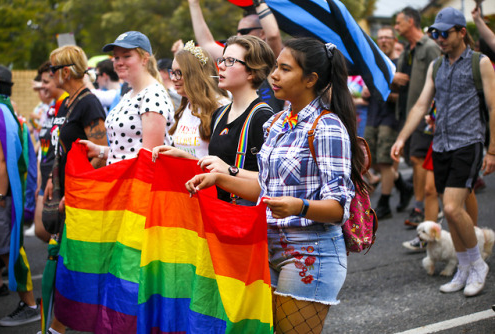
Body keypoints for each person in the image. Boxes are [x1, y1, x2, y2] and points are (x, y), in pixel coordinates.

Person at [186, 37, 364, 333]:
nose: (274, 76)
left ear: (310, 79)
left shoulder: (327, 127)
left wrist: (299, 206)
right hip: (266, 248)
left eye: (285, 69)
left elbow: (339, 208)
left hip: (311, 252)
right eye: (276, 67)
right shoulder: (278, 122)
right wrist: (219, 178)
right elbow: (264, 189)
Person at [391, 7, 495, 297]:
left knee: (451, 207)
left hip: (469, 143)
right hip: (441, 145)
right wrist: (402, 138)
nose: (440, 39)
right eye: (435, 33)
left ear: (462, 32)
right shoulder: (437, 65)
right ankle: (463, 269)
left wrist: (493, 151)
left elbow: (493, 106)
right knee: (450, 214)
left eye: (444, 33)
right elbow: (422, 105)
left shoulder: (480, 62)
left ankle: (477, 264)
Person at [154, 35, 275, 206]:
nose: (221, 66)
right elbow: (216, 165)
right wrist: (183, 156)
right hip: (217, 212)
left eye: (230, 61)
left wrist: (229, 170)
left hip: (242, 217)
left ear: (252, 71)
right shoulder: (220, 113)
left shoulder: (262, 117)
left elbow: (272, 181)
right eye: (222, 60)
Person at [43, 45, 108, 334]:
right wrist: (52, 180)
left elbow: (99, 155)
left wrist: (75, 193)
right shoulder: (69, 102)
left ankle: (57, 328)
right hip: (64, 189)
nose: (49, 74)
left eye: (53, 69)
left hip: (80, 196)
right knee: (62, 261)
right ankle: (54, 327)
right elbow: (63, 147)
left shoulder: (88, 103)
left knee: (74, 265)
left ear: (66, 71)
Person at [79, 31, 174, 166]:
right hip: (122, 180)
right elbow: (124, 152)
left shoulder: (153, 95)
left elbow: (150, 158)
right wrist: (99, 150)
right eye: (116, 58)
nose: (119, 62)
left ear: (145, 58)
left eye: (127, 56)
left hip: (137, 183)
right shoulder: (130, 94)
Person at [0, 68, 41, 326]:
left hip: (1, 194)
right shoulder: (3, 109)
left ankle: (30, 304)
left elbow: (1, 159)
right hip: (3, 193)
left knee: (8, 250)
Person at [187, 0, 284, 112]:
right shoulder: (235, 54)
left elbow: (273, 35)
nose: (238, 35)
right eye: (237, 32)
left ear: (262, 33)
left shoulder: (267, 61)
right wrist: (193, 4)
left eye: (244, 31)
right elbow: (207, 44)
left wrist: (259, 3)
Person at [394, 7, 440, 229]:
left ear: (410, 21)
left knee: (417, 158)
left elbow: (440, 80)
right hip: (407, 113)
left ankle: (421, 206)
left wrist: (434, 113)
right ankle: (425, 203)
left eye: (398, 22)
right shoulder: (406, 51)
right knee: (413, 159)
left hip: (425, 115)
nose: (396, 27)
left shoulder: (430, 47)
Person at [364, 26, 413, 220]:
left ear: (394, 40)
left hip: (390, 119)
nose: (383, 41)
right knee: (370, 160)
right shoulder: (376, 63)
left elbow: (404, 94)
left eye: (387, 37)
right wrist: (369, 93)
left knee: (384, 162)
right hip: (373, 115)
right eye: (381, 37)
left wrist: (384, 93)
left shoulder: (399, 64)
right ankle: (403, 185)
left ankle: (384, 204)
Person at [34, 61, 68, 242]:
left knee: (47, 231)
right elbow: (47, 146)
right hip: (46, 175)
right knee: (42, 230)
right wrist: (41, 177)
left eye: (46, 82)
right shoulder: (51, 108)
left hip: (57, 179)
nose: (42, 87)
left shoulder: (67, 105)